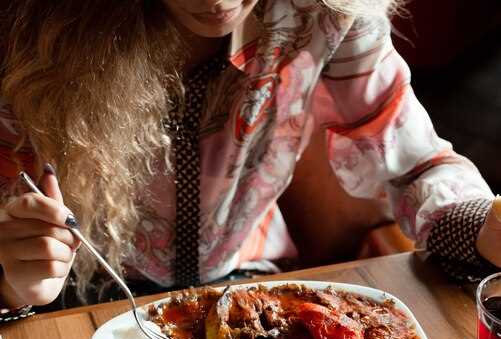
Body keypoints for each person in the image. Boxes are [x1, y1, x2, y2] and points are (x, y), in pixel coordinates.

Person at [0, 0, 500, 321]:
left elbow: (416, 165)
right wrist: (14, 280)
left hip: (250, 284)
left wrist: (482, 226)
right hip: (78, 303)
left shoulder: (329, 12)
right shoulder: (32, 33)